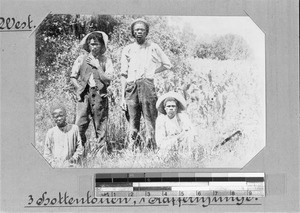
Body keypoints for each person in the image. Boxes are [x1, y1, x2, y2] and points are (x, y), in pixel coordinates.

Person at [120, 18, 172, 150]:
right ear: (133, 32)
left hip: (147, 85)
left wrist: (152, 71)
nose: (139, 32)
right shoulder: (128, 49)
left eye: (142, 30)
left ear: (146, 32)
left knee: (150, 118)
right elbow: (123, 74)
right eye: (137, 29)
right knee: (132, 119)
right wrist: (122, 97)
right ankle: (134, 149)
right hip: (131, 87)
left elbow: (167, 64)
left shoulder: (153, 47)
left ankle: (152, 148)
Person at [70, 31, 114, 155]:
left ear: (101, 45)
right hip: (84, 94)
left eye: (97, 44)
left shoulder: (106, 60)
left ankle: (101, 153)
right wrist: (79, 88)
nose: (94, 47)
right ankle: (80, 152)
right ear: (88, 45)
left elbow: (107, 79)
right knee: (80, 124)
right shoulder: (81, 59)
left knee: (100, 124)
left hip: (100, 95)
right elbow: (73, 77)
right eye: (91, 44)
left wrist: (97, 66)